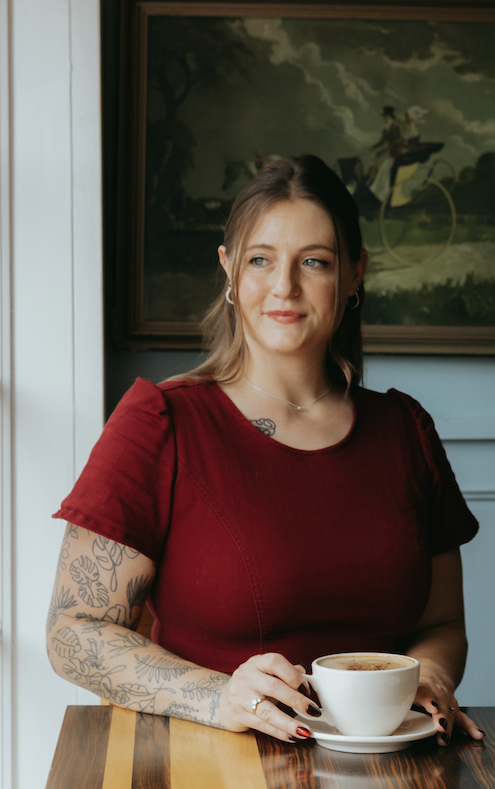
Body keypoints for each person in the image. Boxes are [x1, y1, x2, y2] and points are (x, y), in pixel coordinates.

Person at [47, 155, 484, 747]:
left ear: (355, 274)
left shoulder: (406, 430)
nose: (285, 287)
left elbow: (441, 623)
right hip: (210, 764)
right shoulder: (161, 421)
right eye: (260, 260)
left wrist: (429, 674)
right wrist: (218, 696)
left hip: (385, 769)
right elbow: (74, 631)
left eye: (314, 261)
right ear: (229, 269)